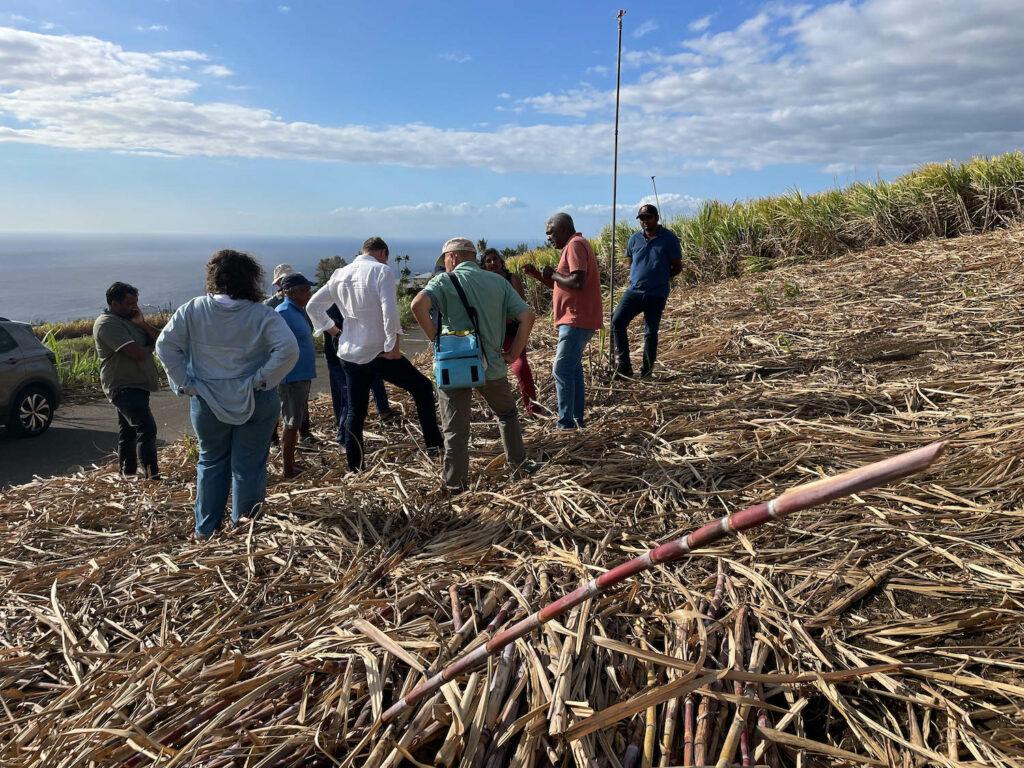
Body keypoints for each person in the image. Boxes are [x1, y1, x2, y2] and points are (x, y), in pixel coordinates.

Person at [156, 250, 299, 540]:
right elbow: (288, 350)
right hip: (255, 398)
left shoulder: (192, 309)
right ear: (250, 279)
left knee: (210, 462)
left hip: (207, 399)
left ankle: (205, 529)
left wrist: (185, 382)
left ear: (213, 278)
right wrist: (261, 379)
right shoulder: (262, 314)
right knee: (249, 464)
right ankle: (245, 530)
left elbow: (165, 346)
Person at [306, 236, 443, 471]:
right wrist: (393, 347)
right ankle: (434, 447)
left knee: (355, 411)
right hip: (378, 350)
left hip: (349, 353)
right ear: (383, 253)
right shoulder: (381, 271)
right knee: (422, 388)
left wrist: (333, 330)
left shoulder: (340, 273)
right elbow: (389, 312)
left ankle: (355, 467)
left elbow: (312, 307)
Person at [412, 238, 536, 491]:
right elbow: (527, 315)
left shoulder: (443, 282)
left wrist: (436, 339)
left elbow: (417, 306)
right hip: (491, 365)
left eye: (445, 260)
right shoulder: (498, 282)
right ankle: (518, 467)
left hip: (454, 365)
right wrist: (513, 354)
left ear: (453, 258)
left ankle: (455, 484)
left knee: (455, 429)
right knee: (508, 414)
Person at [523, 213, 602, 430]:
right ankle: (576, 420)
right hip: (576, 318)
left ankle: (566, 423)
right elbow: (564, 286)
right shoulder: (574, 244)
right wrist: (541, 277)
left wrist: (554, 274)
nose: (548, 238)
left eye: (551, 232)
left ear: (565, 229)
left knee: (561, 369)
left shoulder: (575, 245)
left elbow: (577, 281)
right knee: (572, 369)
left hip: (576, 319)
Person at [92, 282, 161, 479]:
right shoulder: (107, 323)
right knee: (146, 428)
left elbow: (160, 339)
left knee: (128, 431)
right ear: (114, 303)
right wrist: (149, 348)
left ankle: (128, 473)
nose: (134, 307)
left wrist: (143, 324)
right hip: (122, 386)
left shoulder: (131, 320)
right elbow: (137, 353)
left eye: (136, 302)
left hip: (138, 385)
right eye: (129, 303)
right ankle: (151, 476)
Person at [612, 204, 683, 378]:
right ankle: (624, 366)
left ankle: (647, 371)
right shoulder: (634, 239)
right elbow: (630, 260)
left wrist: (661, 277)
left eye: (648, 217)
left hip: (656, 294)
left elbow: (677, 266)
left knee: (650, 332)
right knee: (617, 321)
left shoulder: (669, 238)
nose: (644, 221)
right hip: (634, 291)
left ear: (656, 218)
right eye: (642, 218)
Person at [323, 304, 396, 444]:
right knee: (346, 396)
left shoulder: (348, 301)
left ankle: (383, 411)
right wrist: (344, 336)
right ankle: (343, 436)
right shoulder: (332, 305)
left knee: (364, 385)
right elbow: (333, 327)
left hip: (356, 353)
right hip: (340, 357)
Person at [481, 248, 540, 415]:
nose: (493, 263)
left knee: (521, 368)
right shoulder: (482, 283)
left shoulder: (511, 278)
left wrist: (504, 317)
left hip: (512, 333)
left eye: (495, 259)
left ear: (501, 261)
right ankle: (498, 410)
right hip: (490, 335)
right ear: (484, 266)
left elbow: (522, 307)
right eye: (488, 261)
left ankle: (532, 409)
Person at [275, 272, 317, 478]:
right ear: (290, 292)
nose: (309, 293)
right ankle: (288, 469)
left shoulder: (298, 310)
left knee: (296, 420)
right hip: (291, 378)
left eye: (309, 289)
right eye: (304, 290)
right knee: (291, 422)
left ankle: (290, 464)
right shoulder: (283, 313)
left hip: (301, 376)